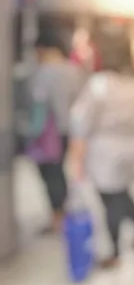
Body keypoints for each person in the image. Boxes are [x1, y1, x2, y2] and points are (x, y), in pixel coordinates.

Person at [68, 34, 134, 268]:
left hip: (104, 151)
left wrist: (77, 154)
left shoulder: (101, 83)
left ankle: (114, 251)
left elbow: (81, 119)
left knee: (111, 199)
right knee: (123, 191)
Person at [30, 27, 83, 233]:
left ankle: (57, 217)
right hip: (69, 130)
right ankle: (61, 213)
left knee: (51, 174)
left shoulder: (44, 72)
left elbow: (39, 103)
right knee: (59, 172)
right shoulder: (73, 70)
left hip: (49, 133)